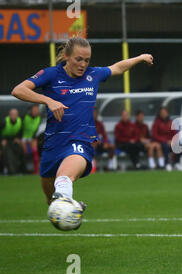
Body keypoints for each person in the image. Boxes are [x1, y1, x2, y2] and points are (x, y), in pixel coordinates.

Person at [11, 36, 154, 211]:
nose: (83, 64)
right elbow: (18, 90)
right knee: (52, 201)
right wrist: (48, 100)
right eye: (78, 59)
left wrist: (139, 58)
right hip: (53, 144)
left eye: (86, 60)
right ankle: (67, 205)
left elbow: (117, 67)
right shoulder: (51, 74)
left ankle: (67, 201)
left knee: (64, 179)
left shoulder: (93, 75)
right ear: (66, 56)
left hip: (80, 141)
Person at [151, 106, 182, 171]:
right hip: (161, 142)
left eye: (165, 112)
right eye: (162, 113)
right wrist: (165, 140)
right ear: (160, 114)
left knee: (180, 145)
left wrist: (172, 140)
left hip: (170, 141)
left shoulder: (170, 122)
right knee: (165, 147)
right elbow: (155, 135)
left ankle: (176, 163)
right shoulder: (156, 123)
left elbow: (175, 133)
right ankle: (167, 163)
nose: (164, 114)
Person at [0, 108, 26, 175]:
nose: (14, 116)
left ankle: (21, 170)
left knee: (20, 150)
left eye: (15, 114)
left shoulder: (20, 121)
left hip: (13, 140)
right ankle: (9, 170)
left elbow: (21, 132)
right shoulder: (4, 121)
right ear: (9, 115)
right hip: (4, 140)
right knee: (8, 153)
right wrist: (2, 139)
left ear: (17, 115)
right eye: (12, 114)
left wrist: (18, 138)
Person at [21, 104, 42, 174]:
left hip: (32, 137)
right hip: (23, 137)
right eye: (34, 109)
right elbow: (20, 128)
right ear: (31, 110)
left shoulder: (39, 118)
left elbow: (38, 130)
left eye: (37, 110)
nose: (36, 111)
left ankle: (36, 171)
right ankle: (24, 170)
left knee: (35, 152)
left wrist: (34, 138)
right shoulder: (24, 116)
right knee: (24, 152)